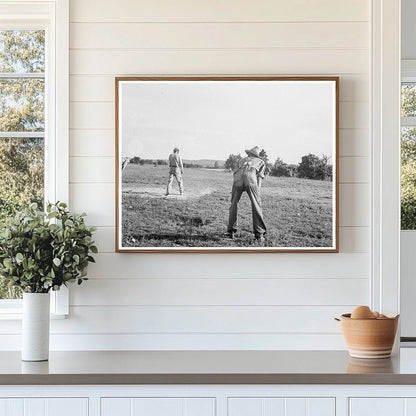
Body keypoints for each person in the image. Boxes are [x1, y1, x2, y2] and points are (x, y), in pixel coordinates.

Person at [227, 146, 267, 242]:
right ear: (257, 155)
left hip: (237, 179)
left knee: (233, 204)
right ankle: (259, 234)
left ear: (249, 153)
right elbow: (259, 177)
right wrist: (258, 191)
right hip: (250, 178)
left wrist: (234, 187)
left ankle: (230, 231)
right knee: (256, 205)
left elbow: (235, 172)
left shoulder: (242, 160)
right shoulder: (261, 162)